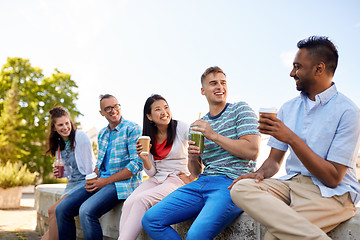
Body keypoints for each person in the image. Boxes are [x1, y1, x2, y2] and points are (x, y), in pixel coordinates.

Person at [230, 36, 360, 240]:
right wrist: (259, 173)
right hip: (292, 184)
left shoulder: (348, 111)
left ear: (319, 68)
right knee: (241, 188)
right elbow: (274, 161)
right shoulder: (288, 108)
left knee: (273, 237)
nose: (292, 73)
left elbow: (333, 178)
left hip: (333, 195)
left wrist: (291, 138)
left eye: (298, 67)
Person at [142, 66, 261, 240]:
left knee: (195, 235)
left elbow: (252, 151)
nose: (220, 87)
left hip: (231, 184)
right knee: (151, 219)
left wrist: (213, 135)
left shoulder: (240, 110)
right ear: (203, 90)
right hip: (202, 182)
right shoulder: (198, 125)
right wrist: (193, 157)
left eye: (223, 83)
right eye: (213, 83)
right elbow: (196, 172)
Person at [55, 94, 143, 240]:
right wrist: (94, 177)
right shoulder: (102, 133)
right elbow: (99, 164)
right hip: (101, 181)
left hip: (122, 184)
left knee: (86, 211)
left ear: (119, 107)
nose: (113, 110)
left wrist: (104, 181)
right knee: (62, 209)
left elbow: (136, 164)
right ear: (101, 112)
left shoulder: (132, 129)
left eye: (115, 106)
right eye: (107, 108)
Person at [118, 94, 192, 240]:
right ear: (149, 116)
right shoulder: (147, 136)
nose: (164, 112)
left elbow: (199, 149)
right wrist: (144, 158)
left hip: (176, 178)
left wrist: (192, 175)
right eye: (158, 109)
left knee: (142, 201)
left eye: (166, 107)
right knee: (128, 203)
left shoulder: (181, 127)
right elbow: (151, 173)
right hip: (157, 178)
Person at [41, 106, 96, 240]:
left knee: (53, 210)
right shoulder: (59, 143)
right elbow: (69, 171)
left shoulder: (80, 136)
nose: (65, 127)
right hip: (71, 184)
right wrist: (61, 174)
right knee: (51, 219)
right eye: (60, 125)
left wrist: (91, 184)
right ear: (54, 128)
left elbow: (89, 167)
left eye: (67, 123)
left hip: (84, 182)